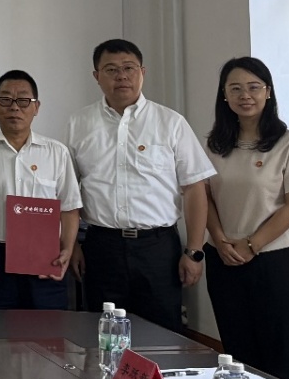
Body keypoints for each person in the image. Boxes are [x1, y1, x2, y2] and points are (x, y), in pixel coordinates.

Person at [66, 39, 215, 331]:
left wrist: (194, 251)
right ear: (97, 76)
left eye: (129, 68)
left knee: (162, 333)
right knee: (104, 333)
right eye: (111, 69)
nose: (121, 76)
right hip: (101, 247)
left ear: (142, 72)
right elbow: (68, 192)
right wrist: (70, 246)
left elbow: (195, 189)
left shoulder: (170, 122)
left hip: (157, 248)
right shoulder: (79, 124)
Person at [203, 56, 289, 379]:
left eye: (253, 87)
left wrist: (252, 245)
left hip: (274, 260)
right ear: (224, 95)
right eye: (235, 88)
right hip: (223, 258)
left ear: (268, 92)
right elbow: (203, 198)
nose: (245, 95)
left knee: (280, 355)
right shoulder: (214, 145)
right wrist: (219, 240)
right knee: (237, 353)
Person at [0, 70, 81, 309]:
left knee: (48, 328)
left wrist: (67, 250)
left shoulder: (56, 152)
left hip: (45, 258)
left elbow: (69, 208)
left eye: (23, 100)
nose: (14, 107)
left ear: (36, 107)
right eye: (5, 100)